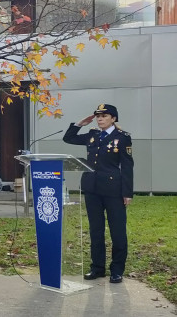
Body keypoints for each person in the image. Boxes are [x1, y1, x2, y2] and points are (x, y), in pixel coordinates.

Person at [62, 104, 134, 284]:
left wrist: (127, 192)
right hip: (92, 189)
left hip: (113, 190)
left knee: (117, 231)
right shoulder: (92, 134)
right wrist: (79, 124)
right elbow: (68, 138)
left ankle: (117, 270)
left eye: (104, 116)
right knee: (96, 230)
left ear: (113, 118)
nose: (100, 119)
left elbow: (127, 166)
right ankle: (97, 268)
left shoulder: (122, 137)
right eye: (98, 116)